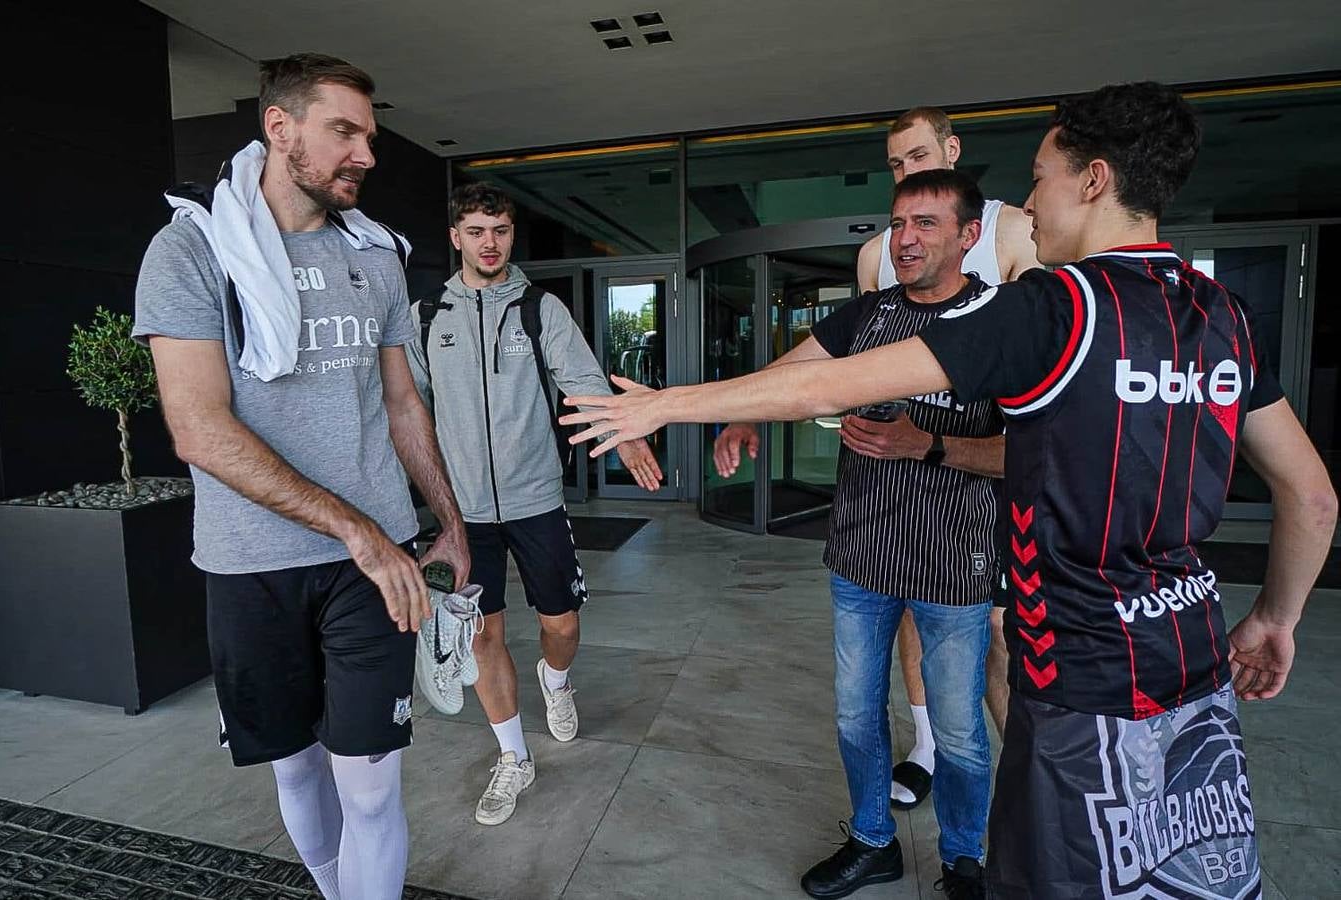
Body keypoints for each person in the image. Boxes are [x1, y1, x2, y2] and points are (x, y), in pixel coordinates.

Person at [559, 82, 1336, 898]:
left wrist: (660, 403)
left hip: (1079, 675)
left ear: (1094, 179)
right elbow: (1312, 498)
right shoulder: (1224, 315)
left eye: (1039, 178)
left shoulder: (1055, 307)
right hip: (1195, 661)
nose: (1029, 206)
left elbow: (827, 389)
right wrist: (1274, 618)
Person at [134, 53, 470, 900]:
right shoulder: (192, 250)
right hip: (251, 564)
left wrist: (448, 520)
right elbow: (198, 429)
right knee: (295, 773)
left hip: (375, 567)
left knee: (369, 783)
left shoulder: (378, 257)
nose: (365, 153)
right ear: (279, 129)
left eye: (370, 136)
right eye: (344, 132)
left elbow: (402, 405)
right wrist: (351, 526)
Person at [726, 169, 1003, 898]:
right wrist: (741, 413)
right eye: (898, 223)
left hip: (955, 561)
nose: (904, 239)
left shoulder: (1005, 323)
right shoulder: (865, 315)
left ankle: (964, 858)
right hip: (861, 553)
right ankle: (873, 840)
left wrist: (929, 444)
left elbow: (1029, 453)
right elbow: (795, 374)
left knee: (961, 733)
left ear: (968, 236)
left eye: (926, 224)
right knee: (855, 715)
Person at [405, 182, 661, 826]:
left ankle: (555, 681)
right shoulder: (427, 316)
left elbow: (582, 381)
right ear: (456, 236)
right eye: (476, 231)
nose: (489, 243)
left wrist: (625, 438)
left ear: (510, 235)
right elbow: (408, 409)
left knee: (562, 625)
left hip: (536, 500)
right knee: (485, 632)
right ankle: (514, 757)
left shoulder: (539, 309)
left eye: (500, 231)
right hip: (463, 514)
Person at [853, 107, 1040, 808]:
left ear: (952, 149)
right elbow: (871, 364)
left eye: (920, 155)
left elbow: (1043, 364)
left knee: (994, 629)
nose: (910, 171)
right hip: (907, 479)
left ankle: (1026, 778)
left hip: (987, 475)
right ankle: (928, 746)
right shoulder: (878, 255)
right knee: (908, 610)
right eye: (897, 163)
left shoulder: (1013, 231)